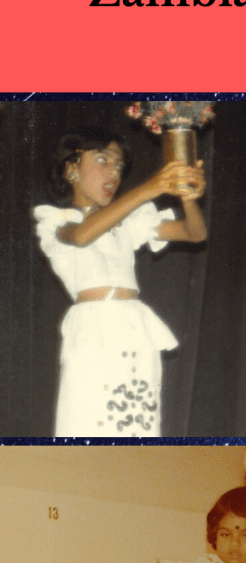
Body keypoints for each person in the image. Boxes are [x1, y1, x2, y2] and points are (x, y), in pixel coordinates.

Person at [33, 127, 207, 438]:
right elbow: (84, 235)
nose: (113, 172)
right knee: (89, 419)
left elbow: (194, 233)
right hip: (93, 330)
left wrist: (187, 196)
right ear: (71, 168)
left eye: (119, 165)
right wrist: (150, 188)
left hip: (134, 328)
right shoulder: (56, 221)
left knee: (139, 422)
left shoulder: (129, 218)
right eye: (102, 160)